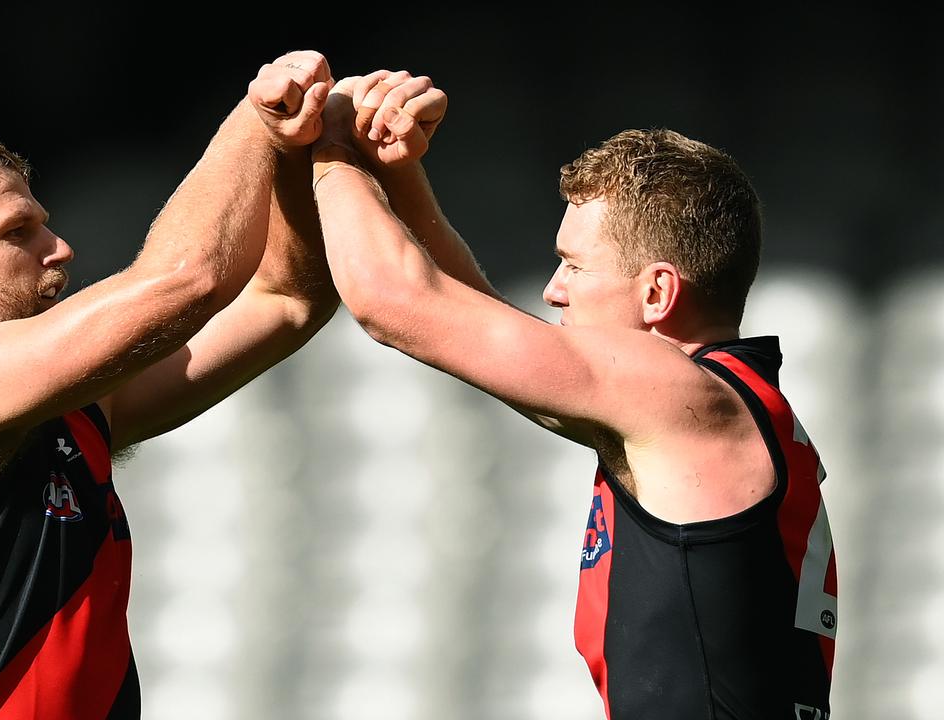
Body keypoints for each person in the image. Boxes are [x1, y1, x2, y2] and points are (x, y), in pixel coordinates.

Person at [0, 50, 338, 720]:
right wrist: (259, 117)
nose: (59, 247)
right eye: (19, 232)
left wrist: (313, 149)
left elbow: (288, 301)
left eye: (44, 221)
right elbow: (185, 282)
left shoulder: (68, 411)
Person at [309, 72, 837, 719]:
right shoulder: (713, 402)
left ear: (657, 294)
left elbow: (392, 303)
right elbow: (474, 318)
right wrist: (397, 171)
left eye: (576, 266)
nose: (554, 290)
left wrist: (327, 137)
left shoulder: (678, 397)